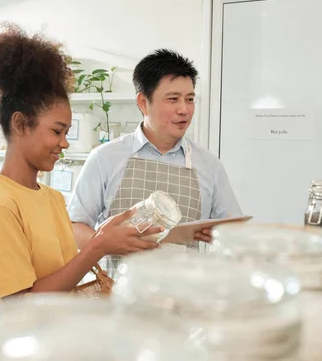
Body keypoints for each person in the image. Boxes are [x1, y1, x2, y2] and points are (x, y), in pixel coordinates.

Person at [0, 23, 162, 307]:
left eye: (67, 132)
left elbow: (65, 282)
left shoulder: (52, 198)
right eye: (57, 131)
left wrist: (104, 240)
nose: (64, 143)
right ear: (20, 124)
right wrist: (98, 246)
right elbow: (18, 307)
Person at [68, 49, 242, 278]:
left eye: (190, 99)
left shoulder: (209, 165)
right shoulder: (105, 158)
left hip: (185, 299)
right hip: (118, 298)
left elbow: (235, 233)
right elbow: (73, 228)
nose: (185, 109)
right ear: (143, 102)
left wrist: (221, 236)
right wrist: (106, 243)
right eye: (173, 99)